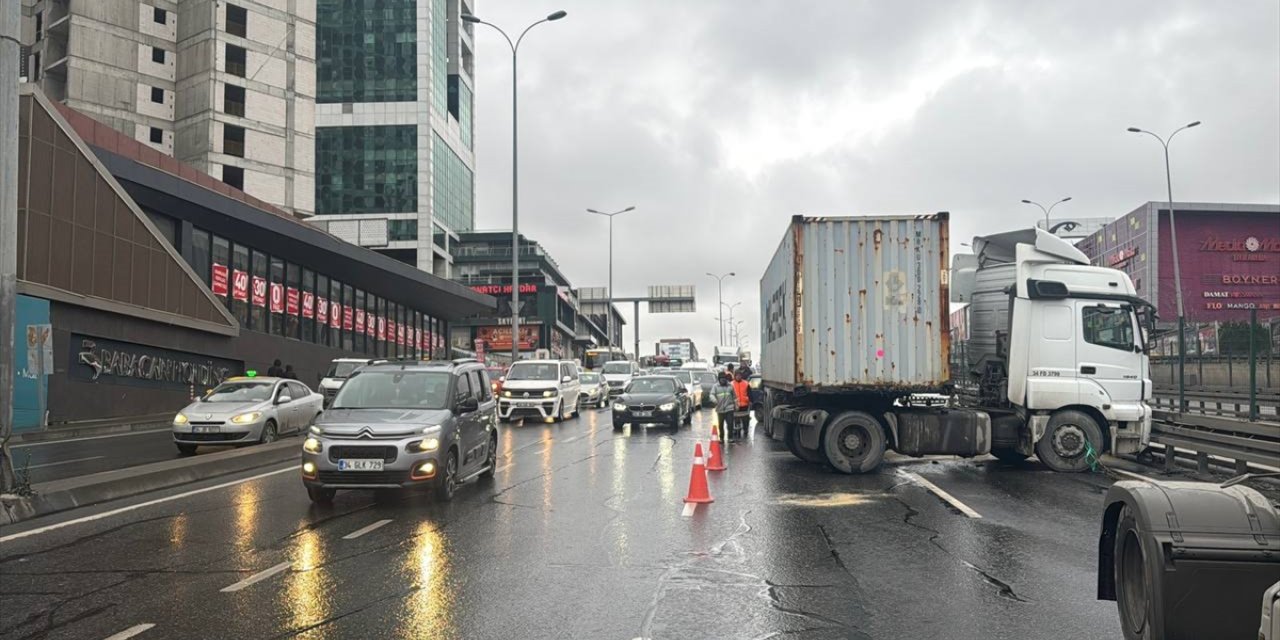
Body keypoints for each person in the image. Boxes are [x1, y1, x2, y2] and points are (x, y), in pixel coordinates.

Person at [712, 373, 737, 442]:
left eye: (724, 379)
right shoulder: (715, 387)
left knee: (730, 423)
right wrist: (714, 400)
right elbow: (712, 394)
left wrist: (736, 405)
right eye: (721, 379)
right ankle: (722, 438)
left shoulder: (730, 386)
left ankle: (730, 437)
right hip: (720, 409)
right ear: (719, 379)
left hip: (729, 408)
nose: (723, 380)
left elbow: (735, 397)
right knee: (720, 425)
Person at [731, 371, 751, 436]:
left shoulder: (746, 383)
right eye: (737, 375)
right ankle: (736, 430)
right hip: (736, 405)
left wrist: (750, 400)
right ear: (735, 376)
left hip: (745, 404)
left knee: (745, 419)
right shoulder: (731, 384)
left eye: (739, 375)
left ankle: (745, 430)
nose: (738, 377)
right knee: (736, 419)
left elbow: (750, 393)